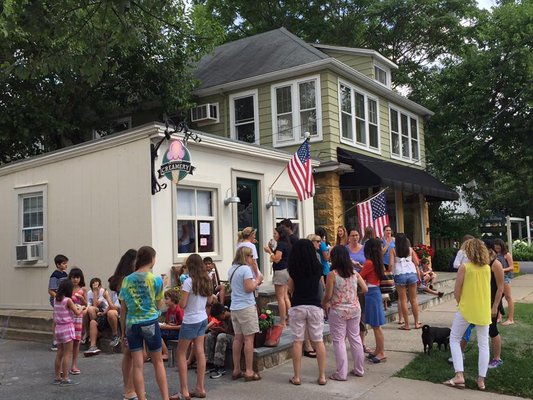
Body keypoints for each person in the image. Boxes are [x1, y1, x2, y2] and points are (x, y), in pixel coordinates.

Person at [119, 246, 169, 400]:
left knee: (138, 364)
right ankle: (165, 398)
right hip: (150, 322)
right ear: (152, 259)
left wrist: (122, 332)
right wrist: (164, 285)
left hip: (132, 324)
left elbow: (123, 309)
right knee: (158, 362)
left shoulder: (127, 280)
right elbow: (160, 305)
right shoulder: (155, 280)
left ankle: (141, 397)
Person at [444, 239, 492, 391]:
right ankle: (481, 380)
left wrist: (460, 303)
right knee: (483, 344)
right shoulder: (487, 268)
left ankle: (459, 375)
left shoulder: (464, 267)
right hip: (483, 309)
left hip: (466, 309)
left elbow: (457, 291)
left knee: (454, 339)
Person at [322, 245, 368, 381]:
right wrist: (355, 294)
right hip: (354, 309)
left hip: (338, 310)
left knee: (339, 340)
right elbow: (365, 289)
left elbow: (328, 294)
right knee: (355, 338)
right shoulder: (354, 273)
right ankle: (359, 369)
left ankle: (341, 373)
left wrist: (324, 302)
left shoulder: (332, 275)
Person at [172, 254, 212, 400]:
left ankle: (184, 391)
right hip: (202, 318)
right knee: (200, 351)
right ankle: (200, 388)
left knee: (181, 354)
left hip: (190, 320)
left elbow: (182, 304)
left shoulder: (189, 282)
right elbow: (210, 300)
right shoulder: (206, 279)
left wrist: (180, 296)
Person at [287, 239, 327, 386]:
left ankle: (297, 377)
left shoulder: (294, 269)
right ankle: (322, 376)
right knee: (318, 341)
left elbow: (290, 289)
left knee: (297, 341)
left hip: (298, 305)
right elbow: (322, 286)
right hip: (315, 306)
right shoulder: (317, 268)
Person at [228, 246, 263, 382]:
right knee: (249, 339)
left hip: (235, 307)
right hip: (246, 306)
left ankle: (236, 369)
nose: (252, 259)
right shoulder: (245, 269)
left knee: (238, 338)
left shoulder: (232, 269)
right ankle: (249, 371)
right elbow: (249, 288)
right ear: (246, 257)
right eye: (250, 257)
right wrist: (258, 280)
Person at [109, 248, 138, 400]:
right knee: (130, 355)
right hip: (129, 319)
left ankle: (131, 387)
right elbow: (124, 305)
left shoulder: (125, 278)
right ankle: (129, 389)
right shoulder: (125, 280)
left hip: (131, 319)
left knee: (132, 355)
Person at [53, 279, 86, 386]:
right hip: (67, 328)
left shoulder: (56, 299)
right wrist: (81, 307)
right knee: (67, 354)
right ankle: (66, 378)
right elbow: (77, 313)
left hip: (58, 328)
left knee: (59, 353)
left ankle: (57, 377)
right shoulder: (68, 300)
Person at [360, 238, 387, 363]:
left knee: (376, 326)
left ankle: (381, 352)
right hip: (375, 291)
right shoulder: (377, 262)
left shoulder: (369, 263)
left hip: (371, 294)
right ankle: (378, 349)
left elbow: (360, 277)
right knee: (376, 324)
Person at [390, 233, 422, 330]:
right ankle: (416, 322)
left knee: (403, 300)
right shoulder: (410, 249)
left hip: (400, 274)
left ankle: (407, 324)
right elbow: (416, 262)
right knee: (413, 299)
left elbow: (391, 264)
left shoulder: (393, 250)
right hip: (411, 273)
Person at [264, 225, 291, 328]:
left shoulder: (280, 245)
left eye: (275, 233)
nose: (274, 235)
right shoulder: (286, 244)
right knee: (285, 296)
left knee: (280, 298)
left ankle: (283, 321)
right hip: (286, 270)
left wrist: (269, 251)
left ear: (280, 234)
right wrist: (271, 248)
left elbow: (277, 259)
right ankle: (290, 318)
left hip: (280, 271)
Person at [484, 240, 505, 369]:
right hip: (482, 300)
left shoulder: (496, 264)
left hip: (492, 301)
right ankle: (459, 354)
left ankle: (497, 358)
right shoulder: (482, 263)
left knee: (492, 330)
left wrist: (495, 306)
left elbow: (500, 288)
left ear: (490, 250)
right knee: (468, 326)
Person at [84, 277, 115, 356]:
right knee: (92, 321)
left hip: (105, 313)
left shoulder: (104, 292)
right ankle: (93, 346)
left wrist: (95, 292)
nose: (95, 287)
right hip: (97, 315)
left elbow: (96, 305)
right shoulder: (89, 292)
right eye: (93, 286)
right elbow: (89, 305)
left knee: (91, 310)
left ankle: (96, 332)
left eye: (97, 285)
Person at [206, 302, 234, 379]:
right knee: (210, 335)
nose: (218, 319)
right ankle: (210, 362)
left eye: (218, 317)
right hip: (227, 335)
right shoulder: (222, 319)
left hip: (236, 339)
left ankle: (220, 366)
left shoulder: (232, 318)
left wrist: (223, 331)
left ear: (223, 312)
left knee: (221, 336)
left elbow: (237, 335)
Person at [48, 254, 69, 351]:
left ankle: (64, 338)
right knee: (56, 319)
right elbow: (51, 291)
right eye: (64, 263)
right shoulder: (54, 276)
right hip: (57, 300)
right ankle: (55, 341)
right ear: (58, 264)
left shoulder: (65, 275)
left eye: (66, 263)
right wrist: (59, 298)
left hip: (64, 299)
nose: (66, 265)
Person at [68, 267, 87, 375]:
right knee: (67, 342)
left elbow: (86, 305)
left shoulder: (83, 289)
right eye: (73, 277)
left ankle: (74, 365)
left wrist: (82, 298)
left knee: (76, 341)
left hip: (78, 317)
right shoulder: (68, 288)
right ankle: (64, 364)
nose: (75, 280)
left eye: (77, 277)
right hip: (68, 317)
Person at [494, 239, 515, 326]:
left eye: (498, 248)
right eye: (496, 248)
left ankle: (510, 319)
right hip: (496, 277)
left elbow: (512, 267)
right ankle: (499, 317)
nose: (497, 249)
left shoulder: (507, 255)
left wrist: (502, 270)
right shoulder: (495, 255)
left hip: (505, 278)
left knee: (508, 297)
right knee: (497, 297)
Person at [160, 289, 183, 362]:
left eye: (167, 299)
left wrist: (168, 327)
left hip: (178, 333)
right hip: (170, 330)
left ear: (173, 299)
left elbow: (183, 326)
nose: (165, 301)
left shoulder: (179, 310)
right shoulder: (169, 310)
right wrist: (165, 325)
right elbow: (167, 322)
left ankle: (166, 352)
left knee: (158, 333)